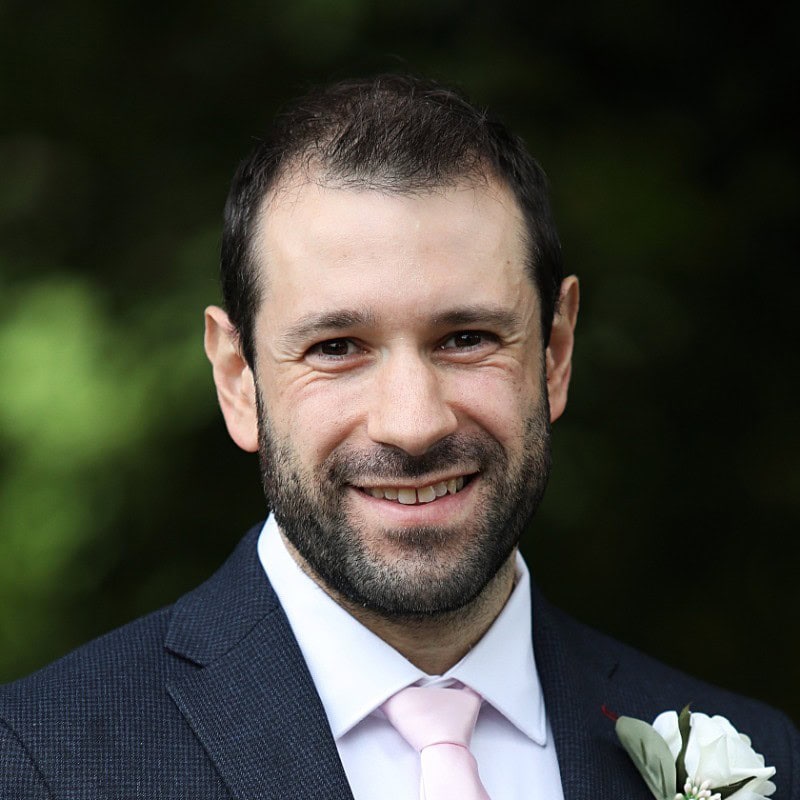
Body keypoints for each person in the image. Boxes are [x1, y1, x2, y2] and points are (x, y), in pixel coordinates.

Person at [0, 74, 796, 800]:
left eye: (467, 339)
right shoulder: (41, 764)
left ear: (555, 354)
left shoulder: (768, 760)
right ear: (238, 379)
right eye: (337, 348)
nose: (413, 425)